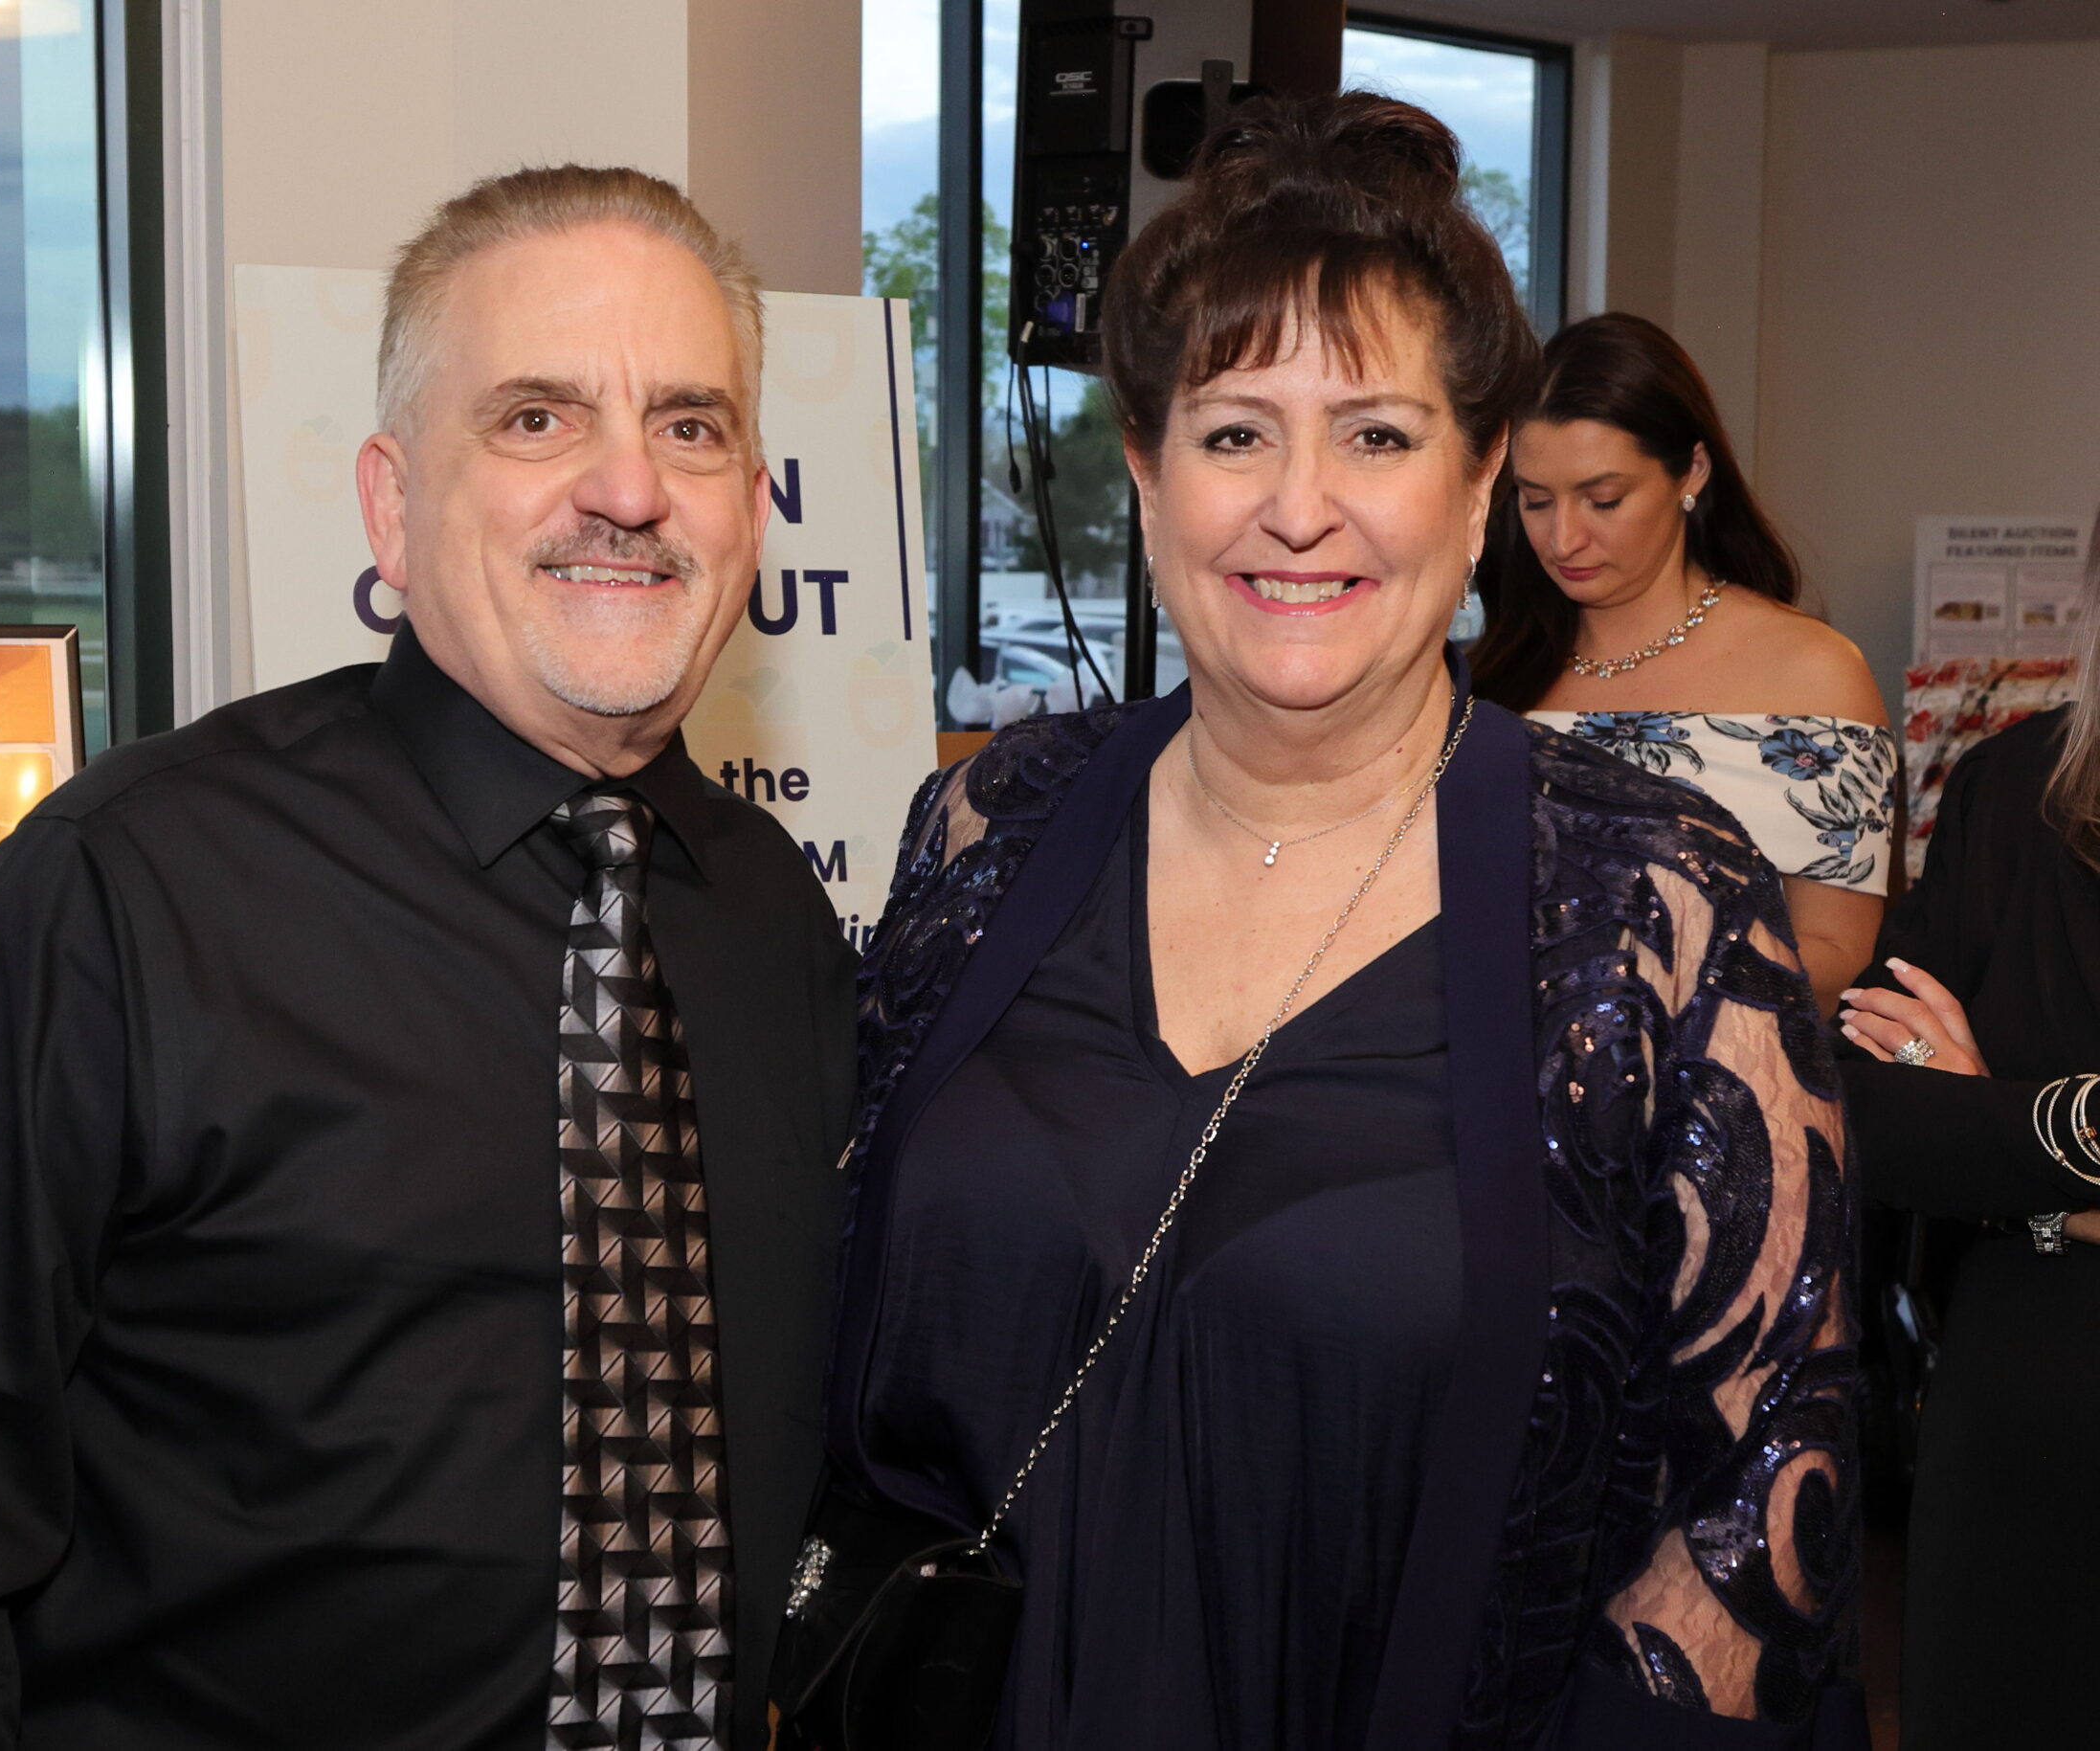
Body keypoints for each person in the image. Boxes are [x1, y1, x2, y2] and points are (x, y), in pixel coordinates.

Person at [0, 167, 857, 1750]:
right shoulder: (130, 893)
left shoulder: (774, 923)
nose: (629, 486)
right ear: (391, 505)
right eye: (537, 418)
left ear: (751, 501)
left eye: (690, 425)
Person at [800, 96, 1861, 1749]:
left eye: (1375, 436)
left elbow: (1763, 1479)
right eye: (1235, 434)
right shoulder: (990, 826)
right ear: (1145, 471)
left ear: (1479, 477)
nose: (1301, 507)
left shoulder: (1651, 900)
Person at [1833, 506, 2100, 1750]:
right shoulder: (2014, 789)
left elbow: (1952, 1130)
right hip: (2024, 1421)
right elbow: (1874, 1107)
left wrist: (1998, 1129)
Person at [1468, 313, 1893, 1010]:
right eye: (1536, 502)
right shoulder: (1484, 678)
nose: (1564, 538)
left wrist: (1642, 986)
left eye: (1604, 500)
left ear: (1692, 470)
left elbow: (1843, 957)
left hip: (1718, 1058)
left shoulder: (1813, 673)